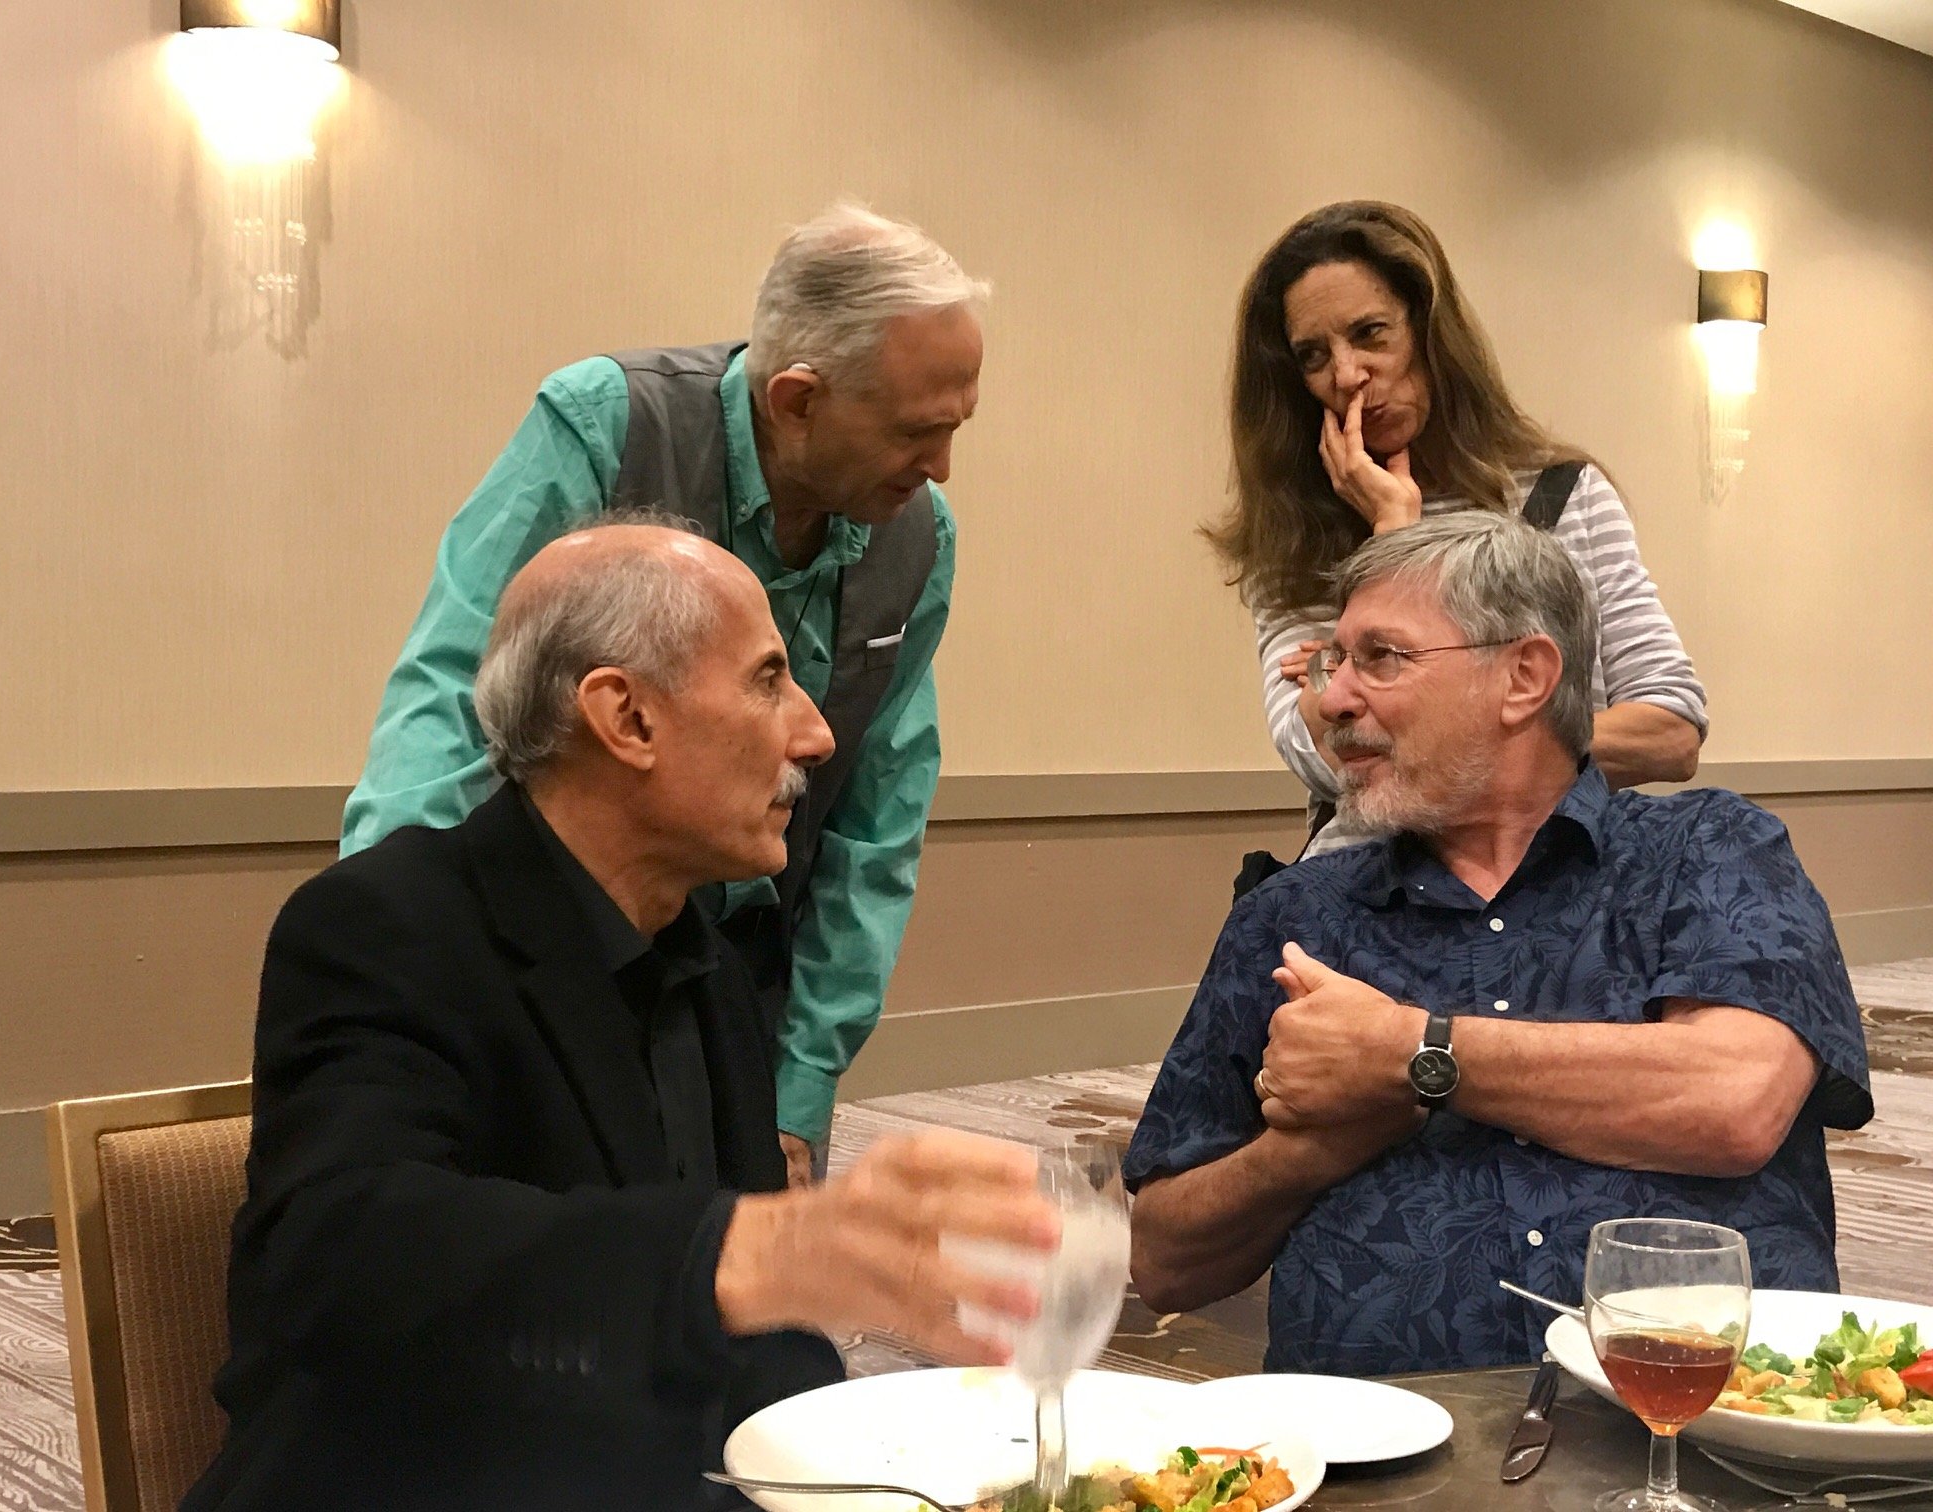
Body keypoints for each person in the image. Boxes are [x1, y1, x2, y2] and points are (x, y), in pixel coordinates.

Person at [182, 519, 1060, 1512]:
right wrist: (755, 1248)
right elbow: (340, 1258)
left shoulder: (711, 967)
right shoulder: (386, 923)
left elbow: (760, 1357)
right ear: (628, 719)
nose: (815, 733)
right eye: (770, 680)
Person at [1126, 512, 1871, 1375]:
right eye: (1333, 662)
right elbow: (1164, 1261)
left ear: (1524, 676)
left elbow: (1735, 1099)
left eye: (1381, 658)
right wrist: (1307, 1153)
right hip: (1385, 1459)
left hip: (1697, 1436)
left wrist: (1413, 1054)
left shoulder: (1707, 850)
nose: (1329, 699)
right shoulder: (1296, 917)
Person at [342, 202, 987, 1184]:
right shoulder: (608, 423)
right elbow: (452, 691)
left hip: (737, 990)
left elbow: (873, 833)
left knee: (729, 1297)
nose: (939, 468)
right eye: (915, 433)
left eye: (954, 431)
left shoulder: (917, 534)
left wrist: (801, 1081)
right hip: (557, 951)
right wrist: (395, 953)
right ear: (798, 399)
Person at [1205, 200, 1707, 856]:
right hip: (1375, 890)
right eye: (1313, 355)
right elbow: (1321, 755)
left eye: (1371, 333)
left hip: (1558, 886)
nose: (1348, 375)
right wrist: (1393, 537)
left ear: (1428, 332)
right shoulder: (1293, 539)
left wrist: (1415, 712)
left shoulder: (1564, 494)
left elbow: (1670, 731)